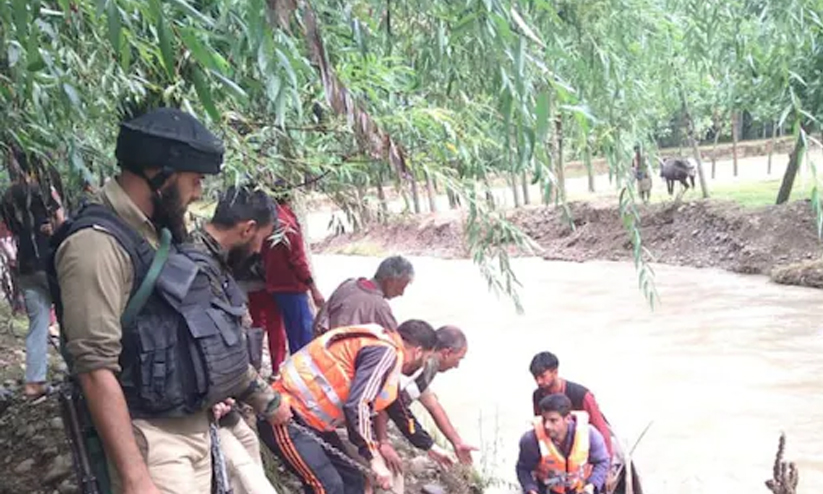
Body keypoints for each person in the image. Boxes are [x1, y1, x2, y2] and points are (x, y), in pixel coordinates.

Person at [50, 107, 291, 494]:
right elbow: (95, 368)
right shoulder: (96, 245)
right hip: (151, 438)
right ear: (160, 174)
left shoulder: (154, 234)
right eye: (194, 180)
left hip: (190, 425)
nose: (197, 193)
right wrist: (135, 477)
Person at [258, 319, 453, 494]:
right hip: (286, 415)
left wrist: (429, 446)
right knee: (327, 487)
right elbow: (358, 405)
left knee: (353, 481)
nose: (422, 365)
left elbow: (397, 406)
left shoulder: (386, 353)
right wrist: (374, 458)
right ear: (418, 351)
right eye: (426, 359)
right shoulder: (385, 353)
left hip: (313, 421)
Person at [189, 184, 281, 494]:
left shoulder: (215, 262)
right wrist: (270, 402)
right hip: (196, 407)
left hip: (221, 400)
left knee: (249, 444)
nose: (258, 250)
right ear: (248, 229)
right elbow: (205, 346)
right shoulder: (196, 266)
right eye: (261, 240)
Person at [1, 149, 65, 399]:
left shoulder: (6, 197)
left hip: (25, 266)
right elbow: (61, 220)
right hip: (49, 263)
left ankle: (34, 382)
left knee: (38, 324)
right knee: (68, 316)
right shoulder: (43, 190)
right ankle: (81, 373)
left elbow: (12, 229)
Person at [376, 325, 477, 475]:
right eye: (458, 359)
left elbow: (432, 404)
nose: (457, 366)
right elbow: (387, 401)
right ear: (447, 352)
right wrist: (382, 440)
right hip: (368, 422)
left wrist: (457, 442)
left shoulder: (429, 365)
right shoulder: (421, 365)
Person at [250, 182, 324, 363]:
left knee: (292, 333)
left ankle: (295, 371)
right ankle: (306, 374)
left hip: (275, 285)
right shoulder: (286, 223)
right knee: (304, 335)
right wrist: (313, 288)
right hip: (292, 286)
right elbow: (298, 260)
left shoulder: (267, 220)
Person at [516, 394, 610, 494]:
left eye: (553, 421)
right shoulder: (531, 440)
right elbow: (524, 469)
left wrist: (592, 485)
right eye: (544, 420)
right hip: (546, 490)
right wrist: (531, 489)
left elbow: (602, 461)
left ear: (568, 419)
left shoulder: (590, 435)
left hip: (581, 490)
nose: (547, 426)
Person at [529, 352, 613, 457]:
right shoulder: (537, 396)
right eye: (535, 377)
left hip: (587, 449)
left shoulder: (582, 395)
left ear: (555, 372)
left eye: (542, 376)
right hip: (556, 453)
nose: (539, 382)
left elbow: (602, 431)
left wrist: (607, 466)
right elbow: (540, 429)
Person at [314, 255, 414, 335]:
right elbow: (397, 342)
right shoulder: (380, 306)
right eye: (401, 287)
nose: (401, 293)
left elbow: (319, 321)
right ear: (390, 281)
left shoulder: (348, 284)